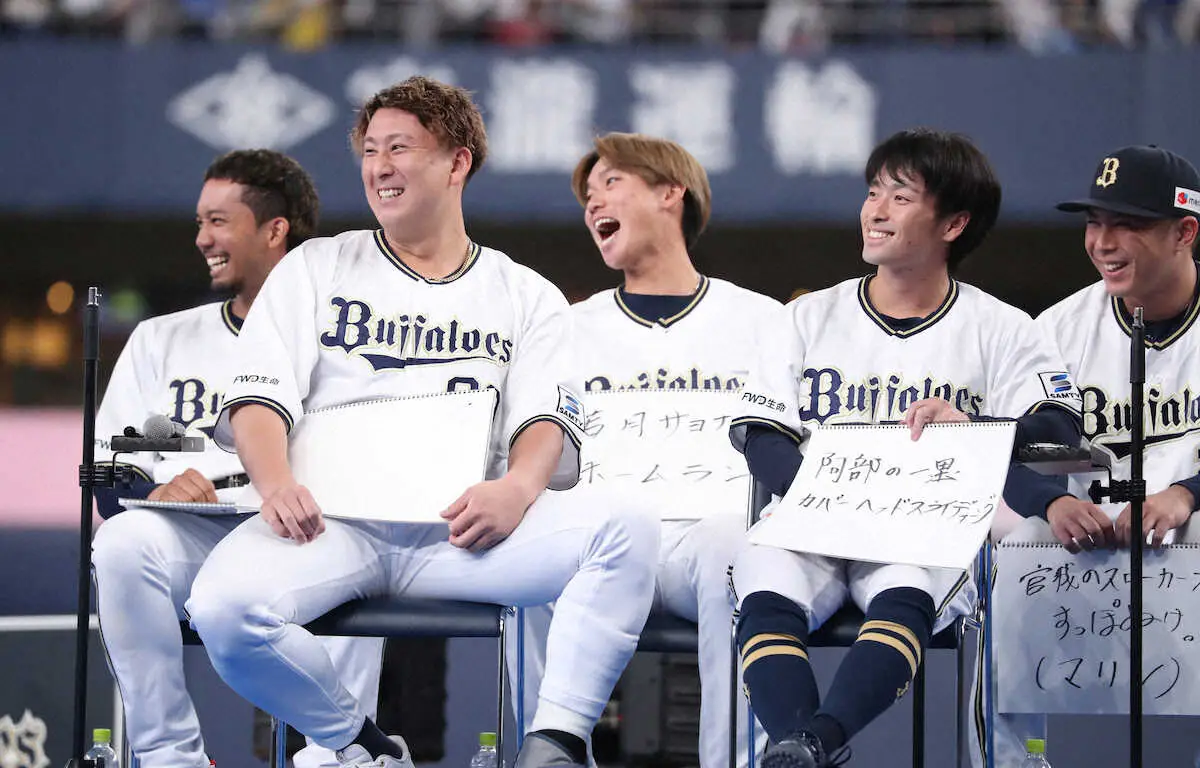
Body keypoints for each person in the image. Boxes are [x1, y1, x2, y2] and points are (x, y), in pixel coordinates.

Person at [183, 77, 659, 768]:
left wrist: (518, 488)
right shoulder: (316, 267)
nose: (379, 166)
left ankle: (555, 743)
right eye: (370, 150)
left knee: (626, 526)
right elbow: (257, 398)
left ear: (457, 162)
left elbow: (543, 418)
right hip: (330, 527)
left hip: (462, 534)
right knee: (222, 609)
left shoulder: (524, 293)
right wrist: (277, 483)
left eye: (400, 147)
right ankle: (361, 744)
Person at [726, 128, 1083, 768]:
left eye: (901, 196)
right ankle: (797, 747)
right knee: (766, 586)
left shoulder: (1000, 327)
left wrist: (975, 424)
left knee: (907, 588)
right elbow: (761, 433)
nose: (876, 210)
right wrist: (824, 502)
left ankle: (815, 743)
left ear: (954, 223)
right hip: (811, 520)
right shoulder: (807, 316)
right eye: (873, 193)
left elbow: (1057, 425)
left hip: (926, 531)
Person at [91, 149, 383, 768]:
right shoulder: (162, 339)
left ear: (275, 230)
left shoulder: (351, 339)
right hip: (196, 534)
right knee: (120, 544)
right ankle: (168, 756)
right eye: (200, 222)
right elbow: (112, 469)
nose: (202, 238)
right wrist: (154, 493)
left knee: (355, 530)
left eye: (219, 221)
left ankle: (340, 755)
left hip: (304, 535)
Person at [512, 132, 776, 768]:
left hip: (702, 540)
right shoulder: (564, 328)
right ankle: (548, 755)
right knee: (525, 567)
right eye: (587, 194)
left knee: (739, 551)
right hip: (598, 542)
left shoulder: (765, 322)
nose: (592, 203)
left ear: (669, 193)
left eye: (611, 183)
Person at [971, 145, 1200, 767]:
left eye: (1128, 223)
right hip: (1089, 538)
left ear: (1185, 232)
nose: (1103, 242)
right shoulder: (1057, 330)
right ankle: (1015, 762)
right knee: (1017, 550)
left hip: (1191, 535)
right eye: (1095, 222)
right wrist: (1052, 500)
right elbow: (1010, 454)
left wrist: (1186, 494)